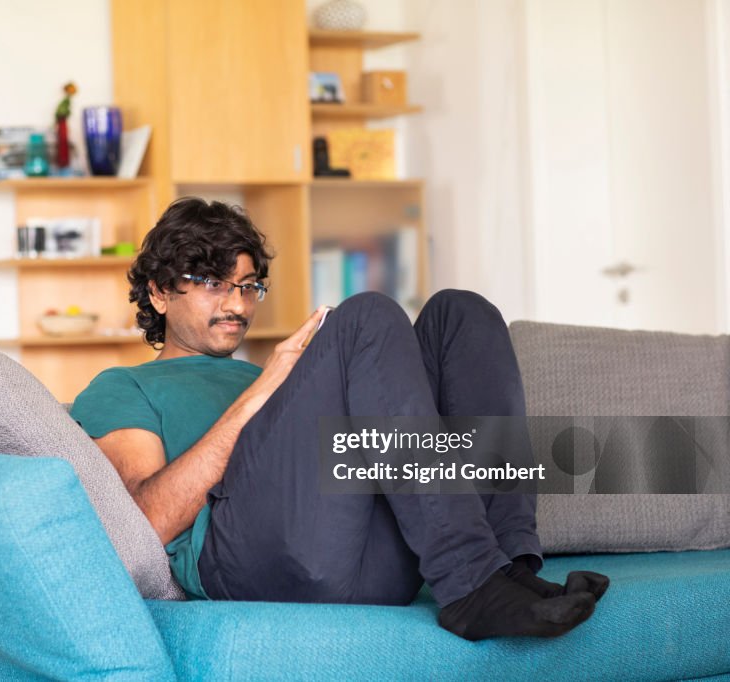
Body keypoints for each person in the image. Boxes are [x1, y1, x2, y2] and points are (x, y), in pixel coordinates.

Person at [69, 197, 609, 641]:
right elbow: (144, 525)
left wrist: (295, 385)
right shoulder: (123, 387)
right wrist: (263, 393)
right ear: (161, 293)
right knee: (367, 315)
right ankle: (470, 581)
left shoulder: (278, 376)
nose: (236, 303)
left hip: (364, 552)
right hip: (246, 559)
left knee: (460, 314)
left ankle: (503, 567)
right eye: (213, 283)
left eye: (248, 285)